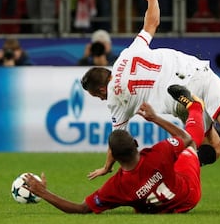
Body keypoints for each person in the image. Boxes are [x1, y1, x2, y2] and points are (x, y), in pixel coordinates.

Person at [81, 0, 220, 211]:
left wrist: (106, 166)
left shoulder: (115, 99)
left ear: (102, 89)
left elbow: (117, 142)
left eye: (98, 95)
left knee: (210, 149)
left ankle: (172, 169)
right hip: (197, 70)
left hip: (177, 99)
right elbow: (151, 23)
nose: (101, 99)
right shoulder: (127, 54)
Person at [23, 86, 205, 214]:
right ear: (135, 143)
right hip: (189, 194)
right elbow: (185, 139)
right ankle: (195, 108)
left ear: (115, 157)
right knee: (191, 147)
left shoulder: (116, 187)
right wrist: (155, 118)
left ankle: (198, 118)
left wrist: (43, 192)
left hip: (163, 207)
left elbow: (80, 209)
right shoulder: (158, 153)